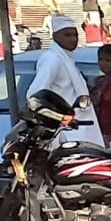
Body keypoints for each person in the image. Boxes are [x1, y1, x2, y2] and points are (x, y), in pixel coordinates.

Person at [29, 16, 100, 146]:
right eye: (67, 35)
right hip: (66, 131)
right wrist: (58, 118)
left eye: (75, 35)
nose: (73, 39)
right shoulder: (52, 59)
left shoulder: (68, 59)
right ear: (55, 36)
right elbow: (36, 95)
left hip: (80, 126)